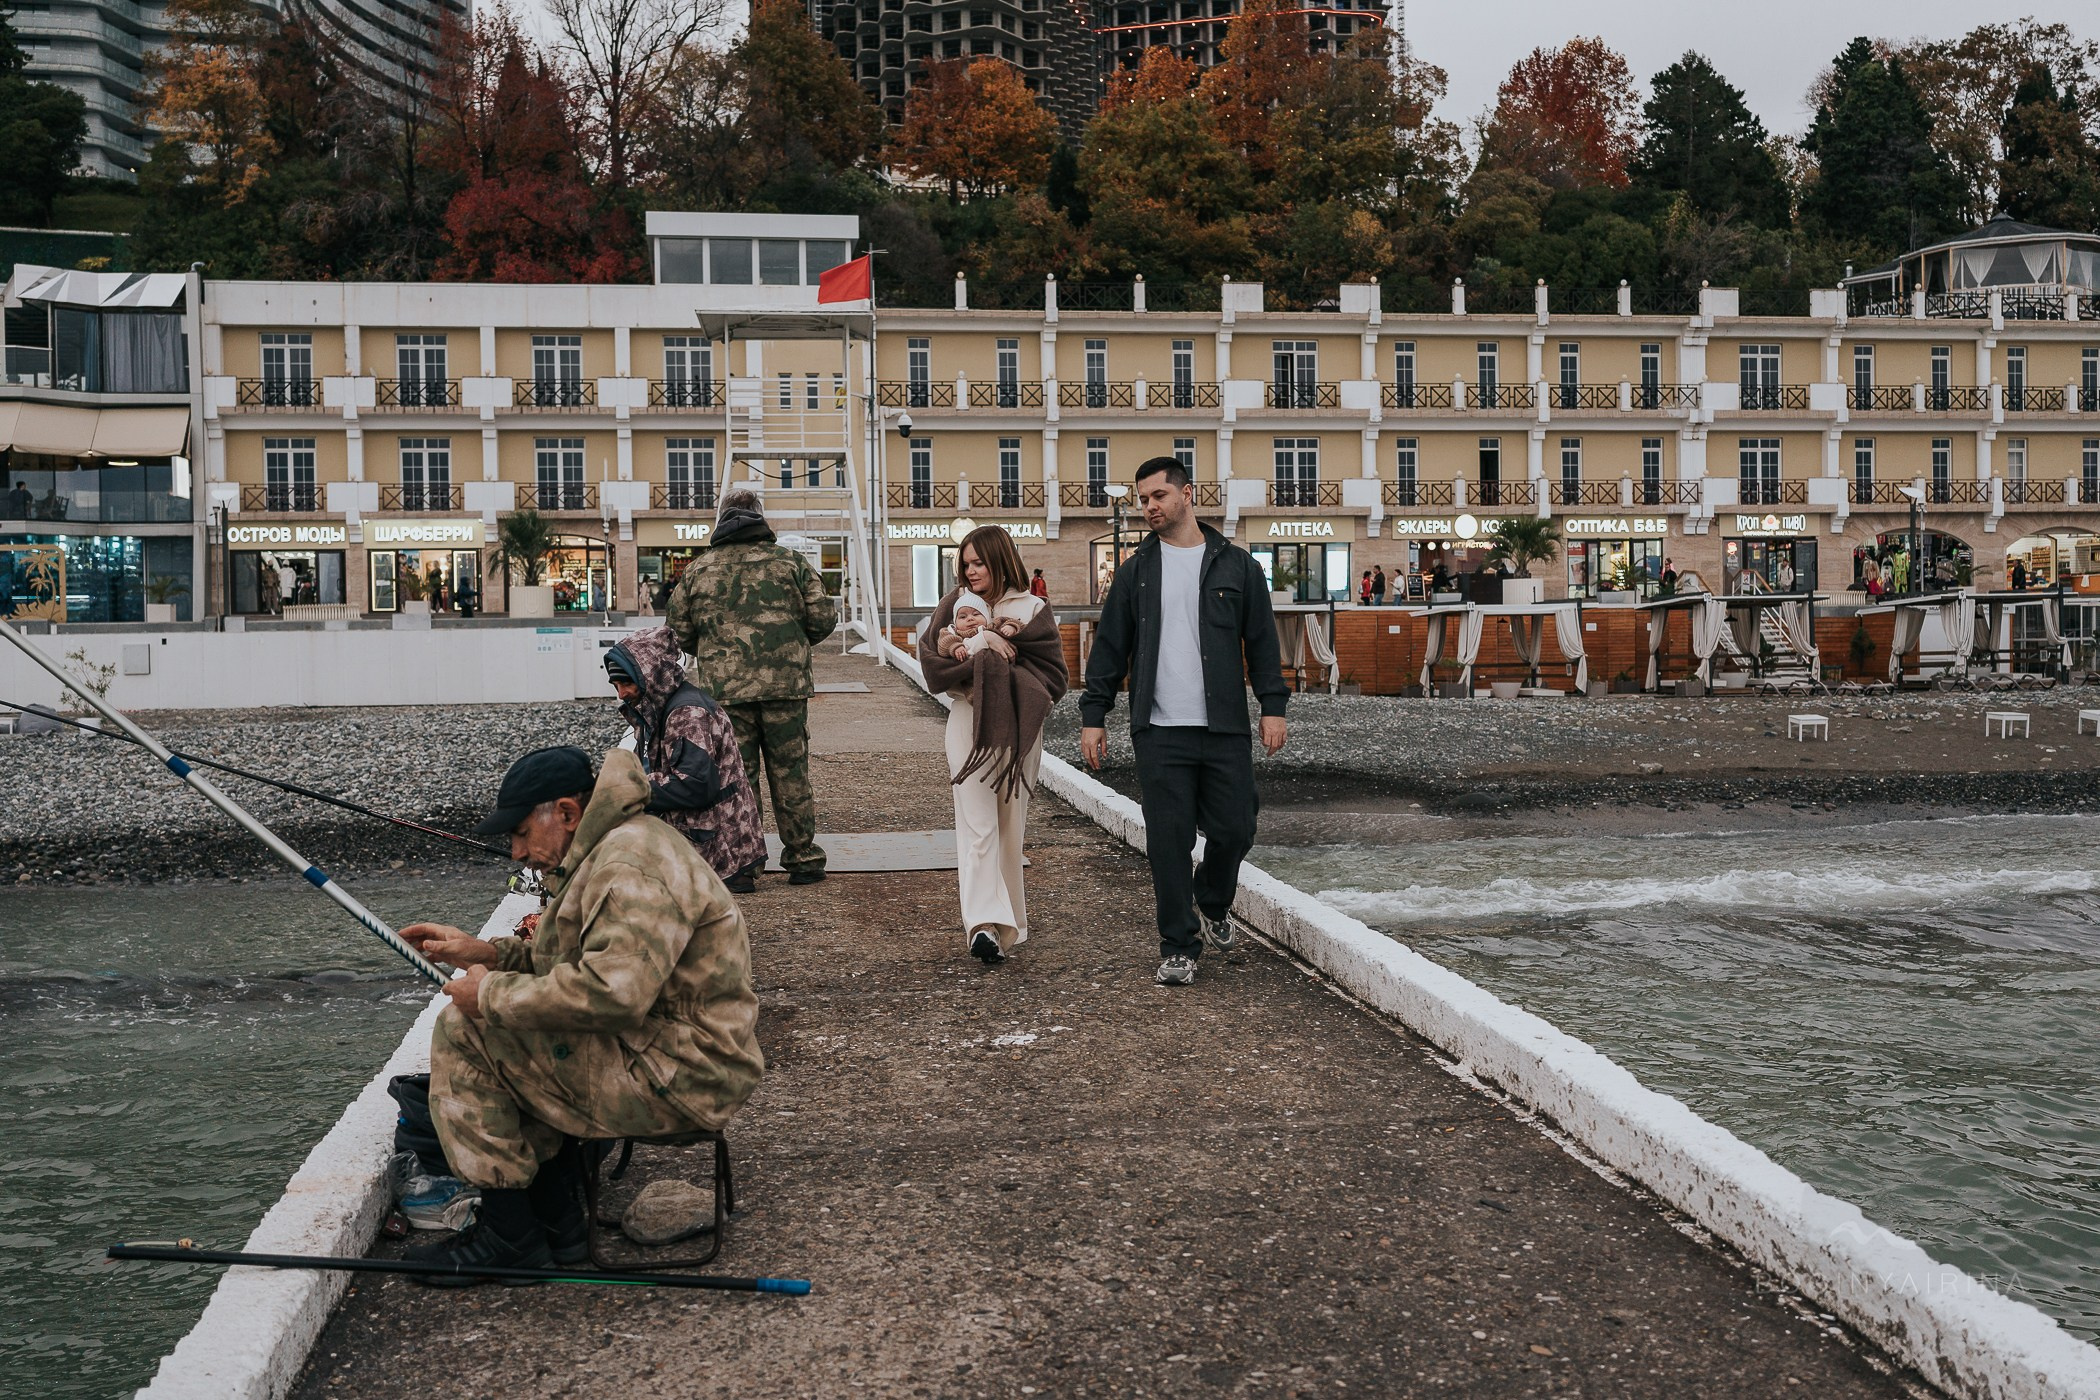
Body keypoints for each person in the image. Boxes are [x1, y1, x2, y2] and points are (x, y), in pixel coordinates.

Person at [397, 745, 763, 1283]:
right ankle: (558, 1223)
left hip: (687, 1077)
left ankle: (511, 1236)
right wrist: (482, 952)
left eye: (522, 832)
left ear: (566, 813)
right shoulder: (610, 848)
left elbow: (612, 994)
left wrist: (491, 996)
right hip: (664, 1053)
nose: (517, 852)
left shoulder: (628, 865)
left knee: (466, 1029)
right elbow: (570, 960)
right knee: (501, 1024)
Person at [1080, 456, 1288, 987]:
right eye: (1143, 499)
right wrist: (1093, 715)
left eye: (1158, 497)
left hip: (1223, 727)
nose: (1149, 507)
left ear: (1187, 494)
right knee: (1168, 841)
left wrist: (1273, 706)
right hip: (1159, 729)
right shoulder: (1134, 572)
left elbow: (1262, 642)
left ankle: (1212, 899)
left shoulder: (1238, 566)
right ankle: (1178, 945)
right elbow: (1110, 649)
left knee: (1236, 827)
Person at [669, 487, 837, 886]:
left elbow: (678, 631)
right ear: (759, 516)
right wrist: (789, 646)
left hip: (725, 691)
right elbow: (823, 617)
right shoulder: (791, 563)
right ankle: (803, 859)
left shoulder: (698, 569)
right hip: (786, 686)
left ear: (721, 518)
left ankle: (745, 865)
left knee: (737, 777)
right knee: (791, 771)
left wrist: (715, 652)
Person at [918, 527, 1069, 965]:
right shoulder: (955, 604)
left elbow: (1054, 676)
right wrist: (984, 644)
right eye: (965, 564)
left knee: (1010, 830)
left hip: (1020, 729)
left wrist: (1002, 654)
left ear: (1000, 559)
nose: (970, 571)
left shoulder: (1034, 608)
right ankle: (982, 924)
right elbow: (933, 661)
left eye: (978, 562)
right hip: (967, 721)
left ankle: (1008, 924)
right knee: (977, 824)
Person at [605, 626, 767, 889]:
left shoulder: (687, 714)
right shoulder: (671, 703)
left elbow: (695, 785)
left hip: (721, 856)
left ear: (650, 676)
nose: (621, 694)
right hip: (713, 840)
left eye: (626, 683)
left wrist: (630, 789)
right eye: (616, 685)